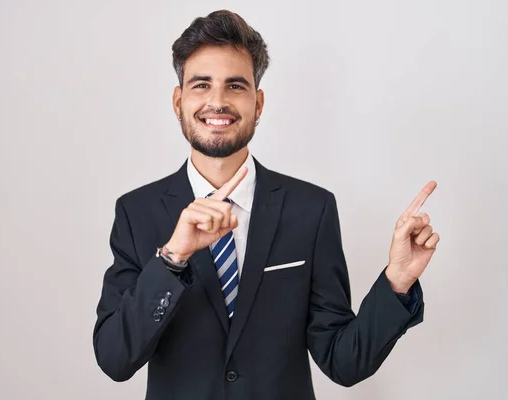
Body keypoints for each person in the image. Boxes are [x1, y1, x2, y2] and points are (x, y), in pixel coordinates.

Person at [92, 9, 440, 400]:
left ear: (258, 104)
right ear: (178, 101)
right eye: (201, 85)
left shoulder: (312, 209)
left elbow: (344, 362)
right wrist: (173, 259)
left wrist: (397, 281)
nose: (218, 101)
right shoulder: (136, 213)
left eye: (235, 86)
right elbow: (114, 359)